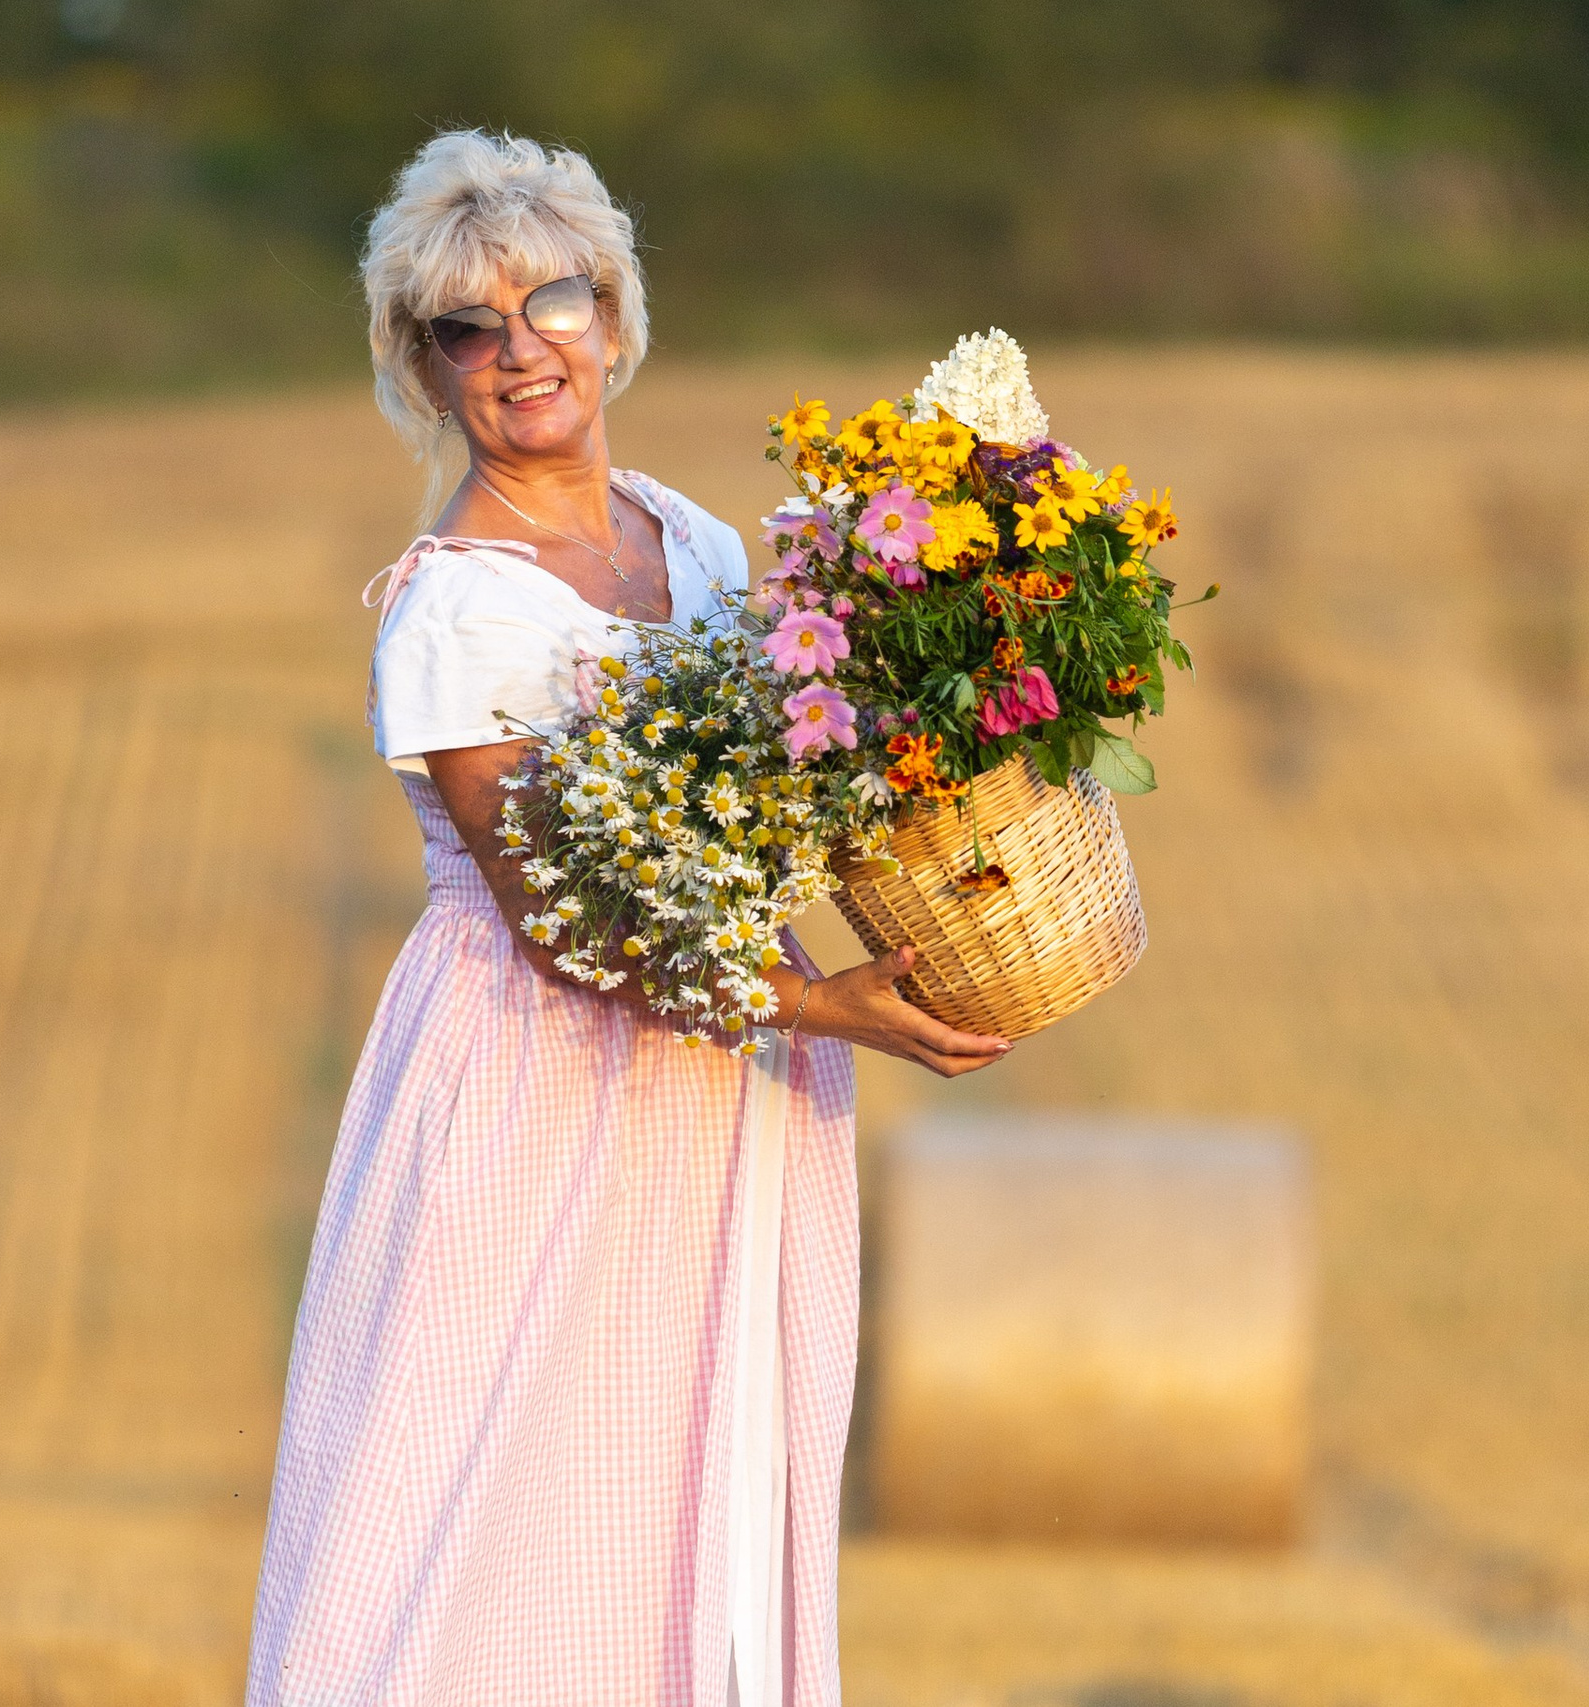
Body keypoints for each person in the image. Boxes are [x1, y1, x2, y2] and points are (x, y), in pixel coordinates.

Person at [243, 130, 1010, 1707]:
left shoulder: (705, 544)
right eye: (472, 325)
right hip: (535, 1081)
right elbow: (555, 916)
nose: (523, 349)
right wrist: (835, 1008)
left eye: (556, 300)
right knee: (487, 1507)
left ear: (615, 313)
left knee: (696, 1499)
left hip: (727, 1081)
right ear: (425, 366)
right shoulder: (456, 607)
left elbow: (773, 804)